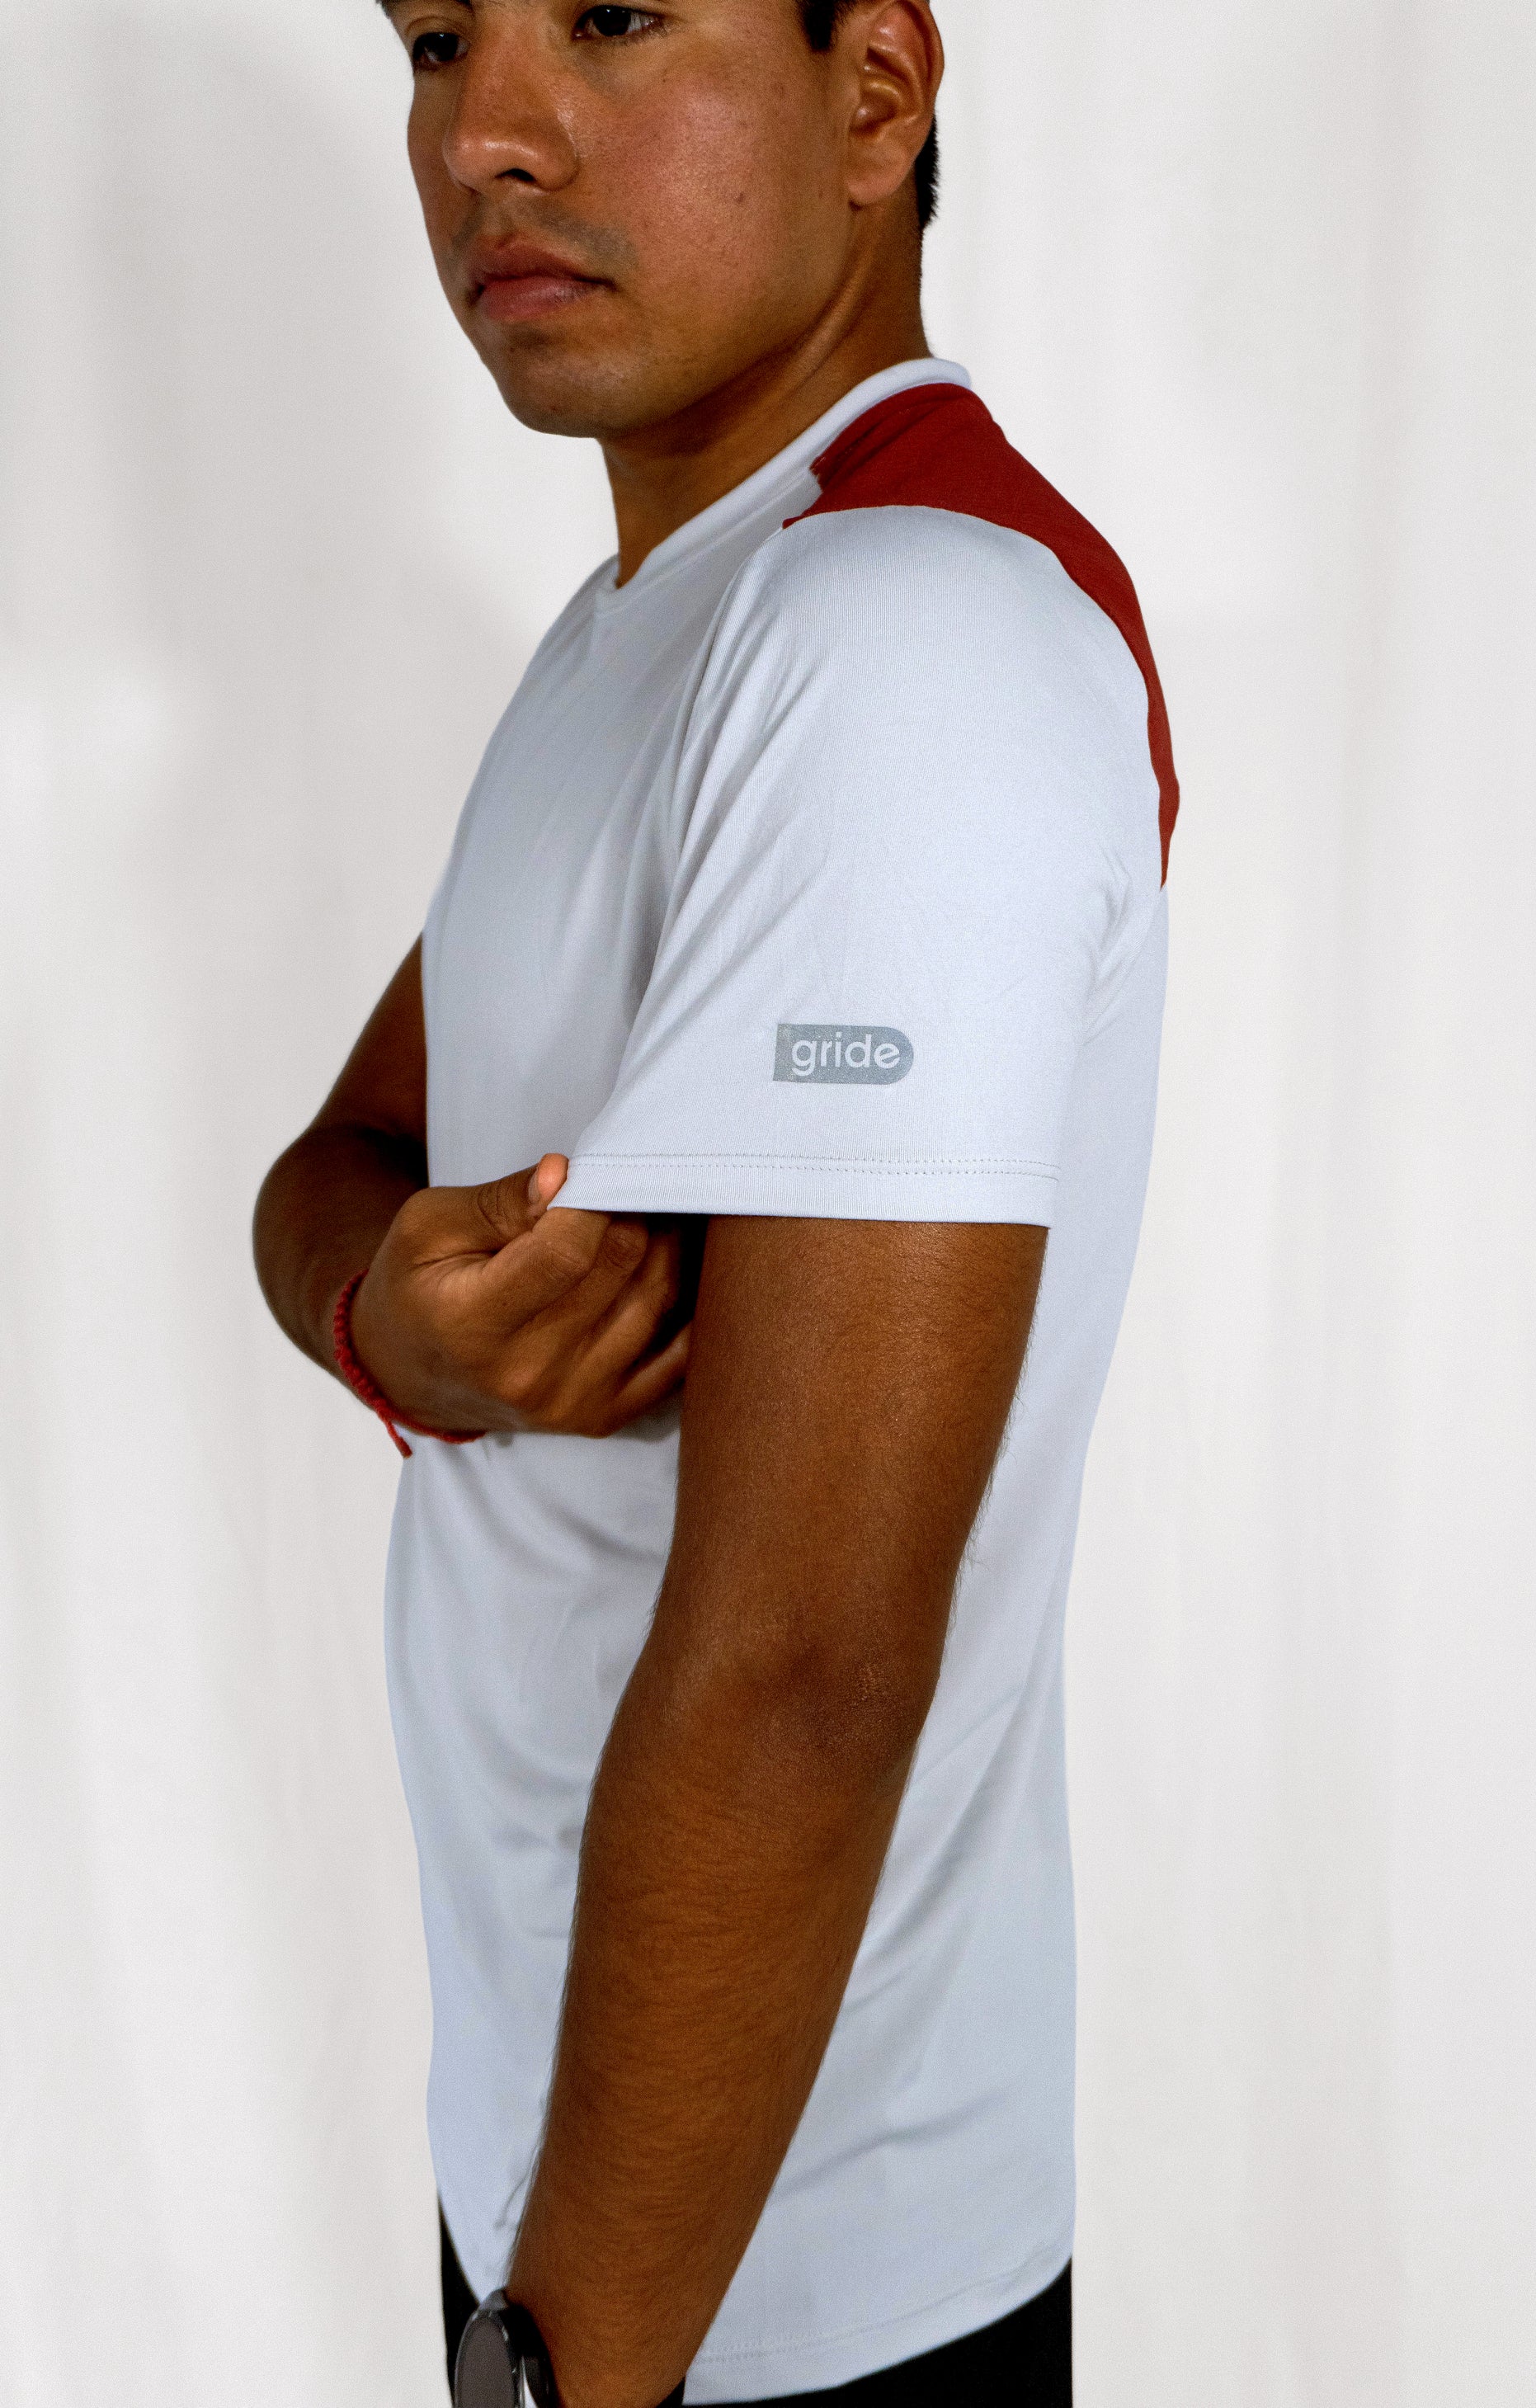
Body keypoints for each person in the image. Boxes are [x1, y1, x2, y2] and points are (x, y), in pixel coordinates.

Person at [254, 2, 1179, 2401]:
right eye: (435, 37)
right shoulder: (651, 627)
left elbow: (804, 1673)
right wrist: (387, 1325)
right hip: (576, 2181)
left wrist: (558, 2374)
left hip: (758, 2290)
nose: (483, 130)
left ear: (874, 94)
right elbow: (338, 1166)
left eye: (610, 16)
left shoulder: (903, 637)